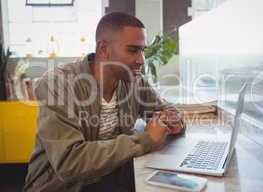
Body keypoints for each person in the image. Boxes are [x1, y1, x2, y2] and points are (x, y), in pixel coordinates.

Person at [24, 12, 185, 192]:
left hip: (112, 177)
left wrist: (175, 120)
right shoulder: (58, 83)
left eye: (142, 50)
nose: (141, 60)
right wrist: (145, 140)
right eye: (133, 50)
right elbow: (70, 162)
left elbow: (164, 108)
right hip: (63, 186)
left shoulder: (133, 80)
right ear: (103, 49)